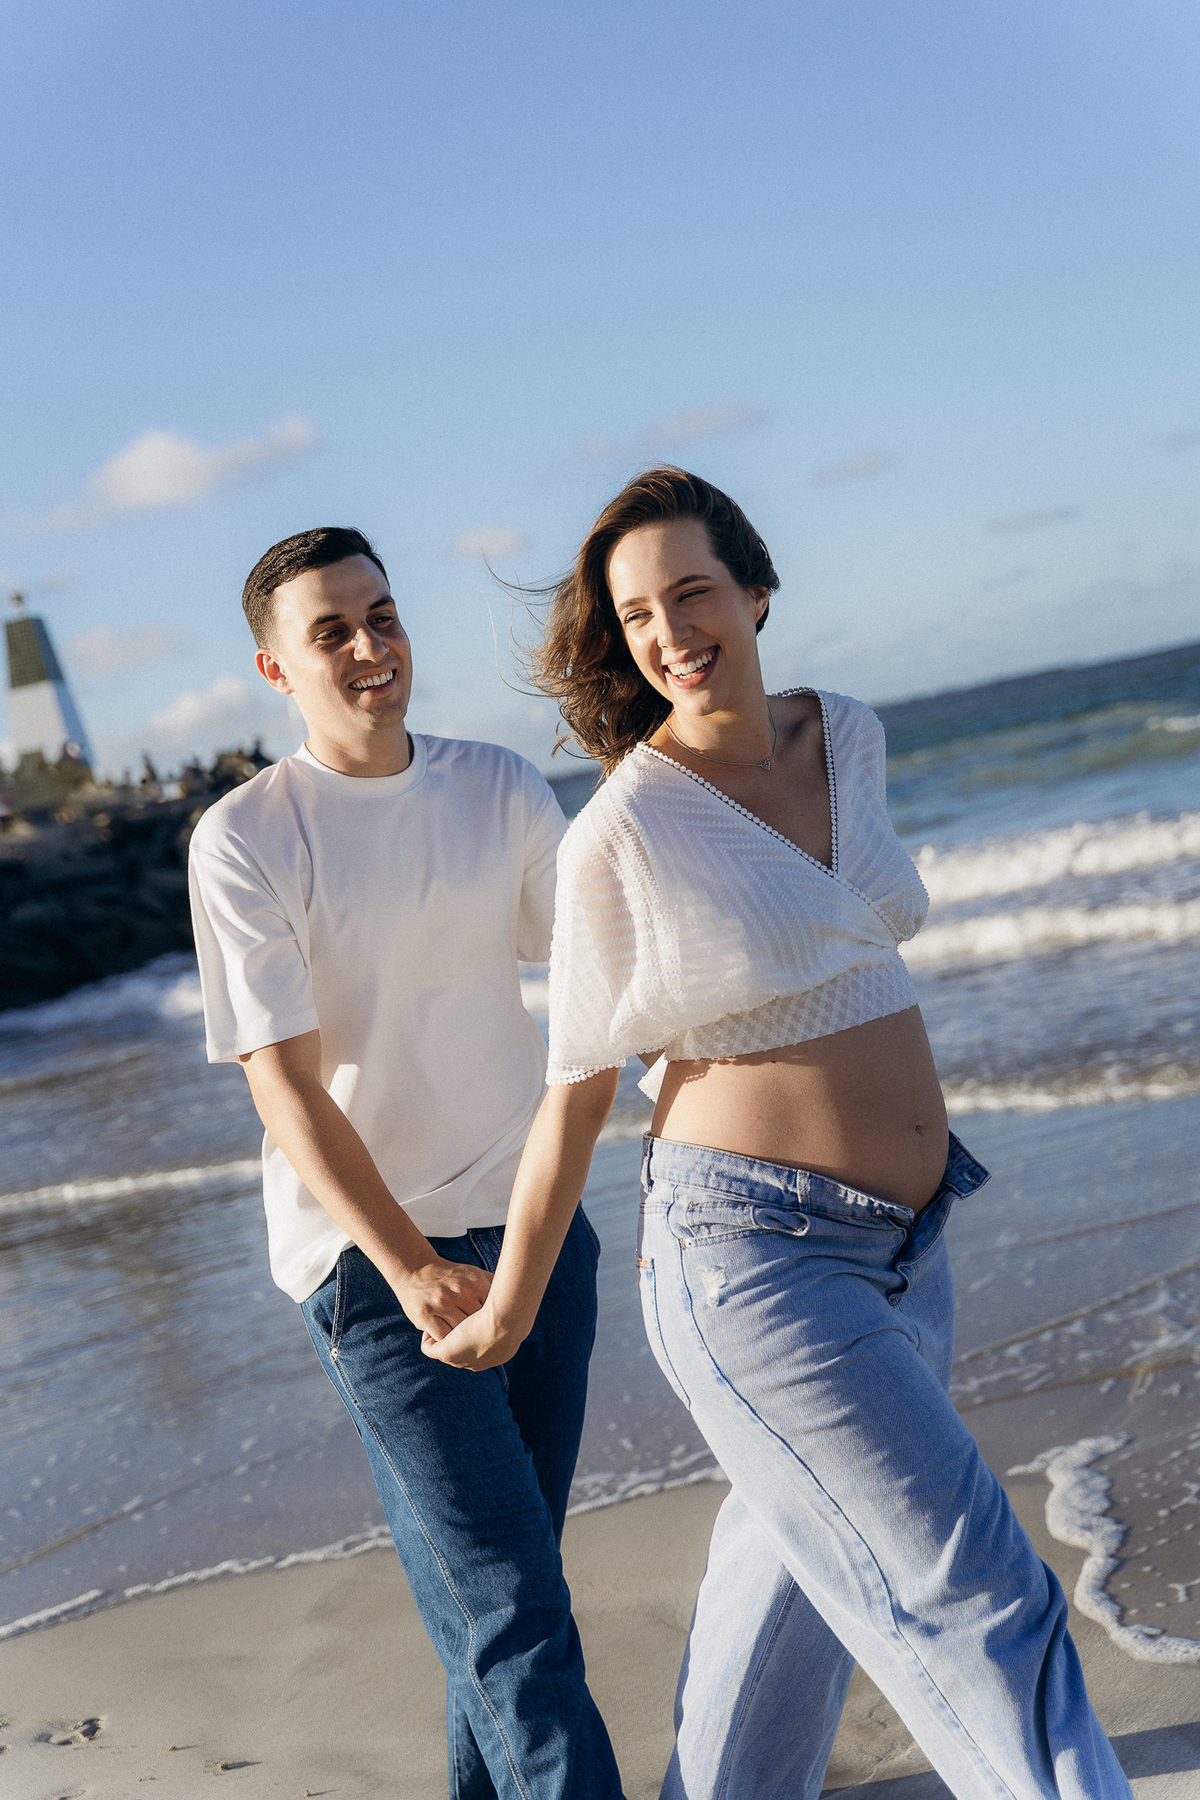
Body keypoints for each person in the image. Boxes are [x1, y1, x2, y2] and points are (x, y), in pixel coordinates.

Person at [425, 472, 1132, 1797]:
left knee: (788, 1602)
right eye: (637, 614)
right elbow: (579, 1083)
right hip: (752, 1263)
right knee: (984, 1599)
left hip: (909, 1256)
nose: (670, 631)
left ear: (754, 592)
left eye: (692, 593)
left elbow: (851, 937)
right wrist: (511, 1299)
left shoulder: (848, 733)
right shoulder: (625, 828)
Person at [187, 526, 623, 1800]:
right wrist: (410, 1264)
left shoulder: (496, 787)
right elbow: (282, 1080)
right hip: (375, 1270)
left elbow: (598, 985)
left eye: (382, 615)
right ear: (276, 669)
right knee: (512, 1609)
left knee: (502, 1592)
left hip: (535, 1235)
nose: (370, 647)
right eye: (332, 631)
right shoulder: (246, 836)